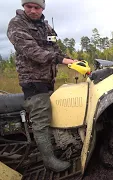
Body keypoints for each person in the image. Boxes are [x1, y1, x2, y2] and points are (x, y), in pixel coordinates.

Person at [7, 0, 78, 172]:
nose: (32, 10)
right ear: (23, 6)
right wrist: (61, 60)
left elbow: (56, 50)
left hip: (48, 79)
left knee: (52, 112)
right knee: (40, 119)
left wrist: (73, 61)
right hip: (31, 80)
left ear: (42, 8)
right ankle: (49, 161)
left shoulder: (46, 27)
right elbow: (32, 51)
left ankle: (59, 144)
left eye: (36, 7)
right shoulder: (17, 24)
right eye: (28, 6)